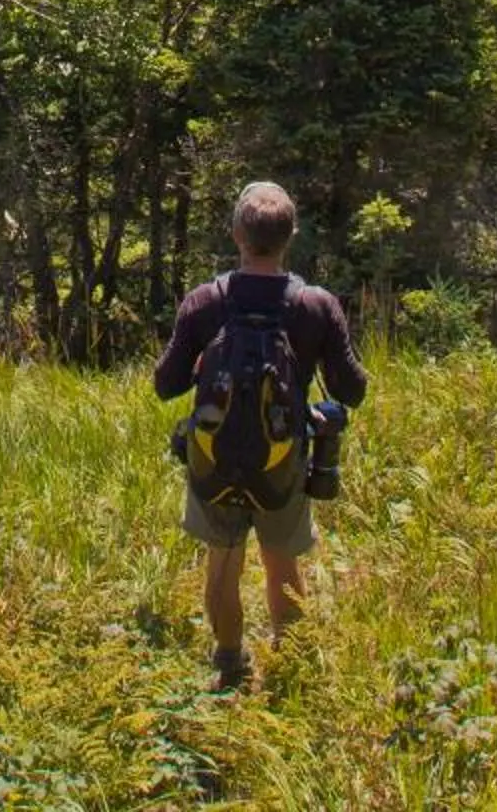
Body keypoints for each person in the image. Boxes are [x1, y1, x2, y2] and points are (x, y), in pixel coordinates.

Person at [153, 180, 369, 691]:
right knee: (281, 564)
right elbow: (352, 390)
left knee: (222, 561)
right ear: (290, 237)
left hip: (215, 459)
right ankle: (288, 673)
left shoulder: (206, 302)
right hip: (282, 463)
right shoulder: (315, 305)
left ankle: (229, 664)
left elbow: (166, 385)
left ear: (236, 235)